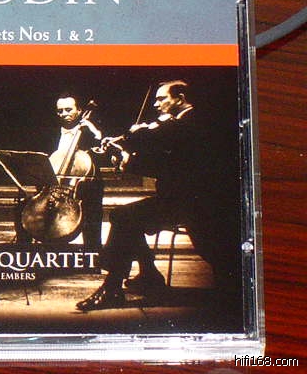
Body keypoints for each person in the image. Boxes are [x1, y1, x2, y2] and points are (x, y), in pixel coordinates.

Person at [76, 80, 240, 311]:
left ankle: (114, 288)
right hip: (181, 199)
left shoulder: (188, 123)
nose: (156, 104)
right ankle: (147, 275)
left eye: (162, 98)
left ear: (180, 98)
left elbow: (162, 155)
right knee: (124, 216)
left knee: (125, 217)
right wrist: (129, 158)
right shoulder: (179, 124)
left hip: (195, 204)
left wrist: (129, 152)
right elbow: (166, 163)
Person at [16, 94, 104, 251]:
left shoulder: (89, 132)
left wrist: (93, 130)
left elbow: (102, 152)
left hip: (82, 190)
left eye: (68, 109)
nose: (64, 114)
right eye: (60, 111)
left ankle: (93, 252)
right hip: (51, 186)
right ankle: (24, 252)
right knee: (22, 205)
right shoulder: (50, 133)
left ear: (79, 110)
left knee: (91, 207)